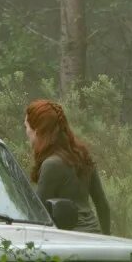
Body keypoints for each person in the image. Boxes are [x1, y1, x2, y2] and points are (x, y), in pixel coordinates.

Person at [24, 99, 111, 234]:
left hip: (70, 240)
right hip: (95, 236)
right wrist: (107, 239)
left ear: (37, 131)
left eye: (26, 127)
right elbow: (102, 205)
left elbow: (38, 213)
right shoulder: (82, 156)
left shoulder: (51, 164)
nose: (27, 133)